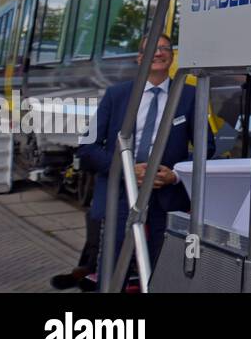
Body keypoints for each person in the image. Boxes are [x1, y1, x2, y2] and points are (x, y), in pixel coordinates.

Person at [77, 32, 214, 285]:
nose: (158, 52)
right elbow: (86, 148)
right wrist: (128, 170)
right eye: (151, 48)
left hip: (166, 198)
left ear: (171, 56)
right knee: (112, 269)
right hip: (120, 194)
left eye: (164, 48)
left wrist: (175, 174)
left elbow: (208, 148)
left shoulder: (189, 95)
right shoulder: (116, 95)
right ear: (140, 58)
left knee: (163, 270)